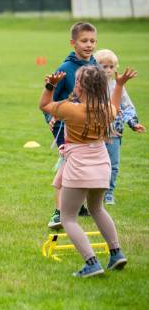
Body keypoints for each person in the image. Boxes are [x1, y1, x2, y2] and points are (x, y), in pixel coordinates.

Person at [39, 65, 136, 277]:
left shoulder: (71, 110)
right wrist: (119, 85)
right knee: (98, 209)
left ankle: (91, 263)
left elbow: (44, 105)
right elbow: (115, 104)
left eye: (76, 82)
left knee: (68, 218)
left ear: (80, 87)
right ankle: (116, 252)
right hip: (102, 166)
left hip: (78, 167)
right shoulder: (106, 111)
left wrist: (50, 86)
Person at [46, 22, 97, 230]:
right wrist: (52, 121)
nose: (89, 45)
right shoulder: (65, 69)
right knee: (65, 172)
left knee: (87, 171)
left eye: (92, 41)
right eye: (84, 40)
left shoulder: (97, 66)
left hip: (91, 131)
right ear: (73, 42)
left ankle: (81, 206)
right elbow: (50, 103)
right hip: (68, 131)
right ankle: (59, 212)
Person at [94, 49, 145, 205]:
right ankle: (93, 192)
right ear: (95, 68)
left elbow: (127, 107)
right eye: (104, 66)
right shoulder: (92, 85)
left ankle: (109, 192)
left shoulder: (118, 85)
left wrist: (133, 123)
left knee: (113, 164)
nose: (108, 70)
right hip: (94, 133)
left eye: (111, 66)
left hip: (114, 133)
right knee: (95, 164)